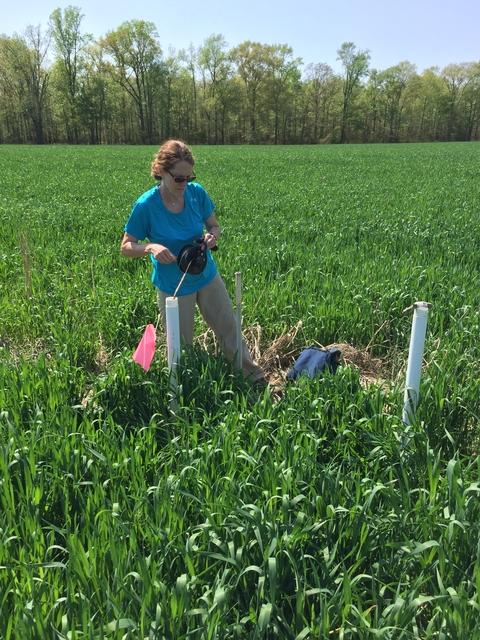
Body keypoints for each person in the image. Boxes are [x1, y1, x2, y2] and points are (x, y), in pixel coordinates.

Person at [120, 139, 266, 385]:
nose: (184, 184)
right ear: (161, 171)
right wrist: (151, 247)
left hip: (206, 274)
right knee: (180, 345)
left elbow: (215, 225)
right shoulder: (146, 206)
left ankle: (252, 377)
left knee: (230, 331)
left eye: (189, 177)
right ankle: (184, 389)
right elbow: (126, 247)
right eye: (178, 178)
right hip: (173, 286)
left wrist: (212, 237)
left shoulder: (197, 193)